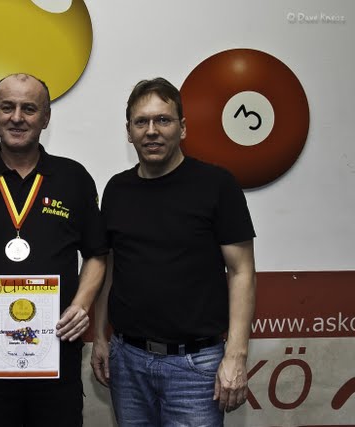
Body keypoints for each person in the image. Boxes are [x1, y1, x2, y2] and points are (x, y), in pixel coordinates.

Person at [0, 73, 107, 427]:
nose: (17, 117)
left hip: (56, 352)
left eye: (29, 108)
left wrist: (81, 305)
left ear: (46, 117)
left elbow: (96, 253)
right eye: (7, 107)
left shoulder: (74, 178)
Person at [91, 77, 256, 426]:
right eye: (141, 122)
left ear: (182, 128)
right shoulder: (117, 190)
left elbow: (241, 272)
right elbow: (110, 268)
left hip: (195, 367)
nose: (151, 131)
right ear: (129, 132)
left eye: (163, 120)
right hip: (127, 360)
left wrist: (236, 355)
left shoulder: (217, 185)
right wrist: (100, 338)